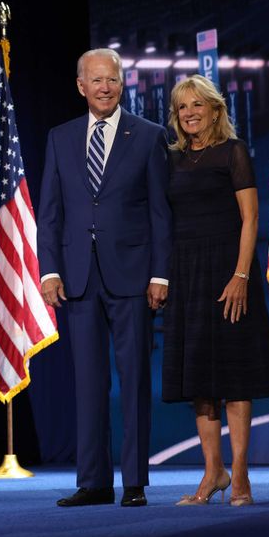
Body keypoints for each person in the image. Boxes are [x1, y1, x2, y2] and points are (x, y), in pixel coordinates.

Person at [37, 48, 172, 508]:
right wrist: (49, 270)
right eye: (95, 81)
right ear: (81, 86)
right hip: (76, 278)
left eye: (111, 80)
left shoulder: (150, 136)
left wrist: (160, 274)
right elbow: (49, 213)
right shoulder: (60, 137)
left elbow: (160, 213)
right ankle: (93, 482)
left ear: (122, 83)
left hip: (133, 276)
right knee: (88, 382)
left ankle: (134, 482)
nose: (104, 88)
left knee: (133, 380)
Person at [162, 75, 269, 507]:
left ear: (215, 109)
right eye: (181, 107)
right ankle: (213, 473)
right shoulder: (172, 159)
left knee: (234, 376)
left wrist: (241, 275)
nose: (189, 113)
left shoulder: (234, 152)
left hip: (230, 272)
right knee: (200, 382)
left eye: (197, 105)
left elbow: (250, 219)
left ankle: (242, 475)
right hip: (187, 273)